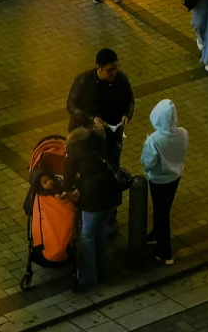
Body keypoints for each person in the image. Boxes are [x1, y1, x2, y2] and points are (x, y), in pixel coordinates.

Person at [66, 123, 128, 288]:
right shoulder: (98, 141)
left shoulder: (74, 149)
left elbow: (68, 177)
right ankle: (103, 270)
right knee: (100, 231)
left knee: (86, 235)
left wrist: (69, 188)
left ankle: (88, 277)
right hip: (110, 195)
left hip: (93, 199)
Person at [69, 48, 136, 171]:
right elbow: (71, 106)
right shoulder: (83, 81)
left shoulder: (121, 79)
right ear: (99, 68)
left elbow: (130, 100)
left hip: (113, 134)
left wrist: (127, 115)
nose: (114, 73)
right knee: (92, 169)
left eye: (116, 67)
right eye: (109, 70)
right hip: (89, 134)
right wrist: (92, 119)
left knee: (113, 168)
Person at [141, 100, 188, 264]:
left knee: (161, 212)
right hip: (175, 176)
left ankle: (165, 252)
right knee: (164, 207)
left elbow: (148, 162)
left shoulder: (154, 140)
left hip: (159, 180)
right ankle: (156, 234)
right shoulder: (183, 133)